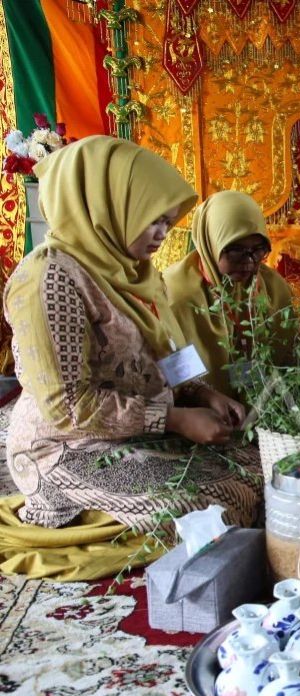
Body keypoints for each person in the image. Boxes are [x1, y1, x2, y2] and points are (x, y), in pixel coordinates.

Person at [1, 136, 261, 577]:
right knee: (204, 503)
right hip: (66, 445)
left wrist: (203, 395)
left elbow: (167, 353)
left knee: (257, 467)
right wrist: (175, 420)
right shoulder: (49, 280)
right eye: (151, 220)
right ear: (109, 206)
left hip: (137, 426)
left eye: (166, 221)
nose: (162, 233)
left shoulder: (136, 271)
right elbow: (68, 408)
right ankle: (78, 521)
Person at [164, 190, 293, 402]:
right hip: (200, 421)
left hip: (265, 420)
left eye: (258, 250)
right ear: (211, 244)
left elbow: (290, 361)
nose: (249, 262)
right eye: (235, 251)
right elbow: (173, 372)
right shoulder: (175, 294)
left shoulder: (274, 289)